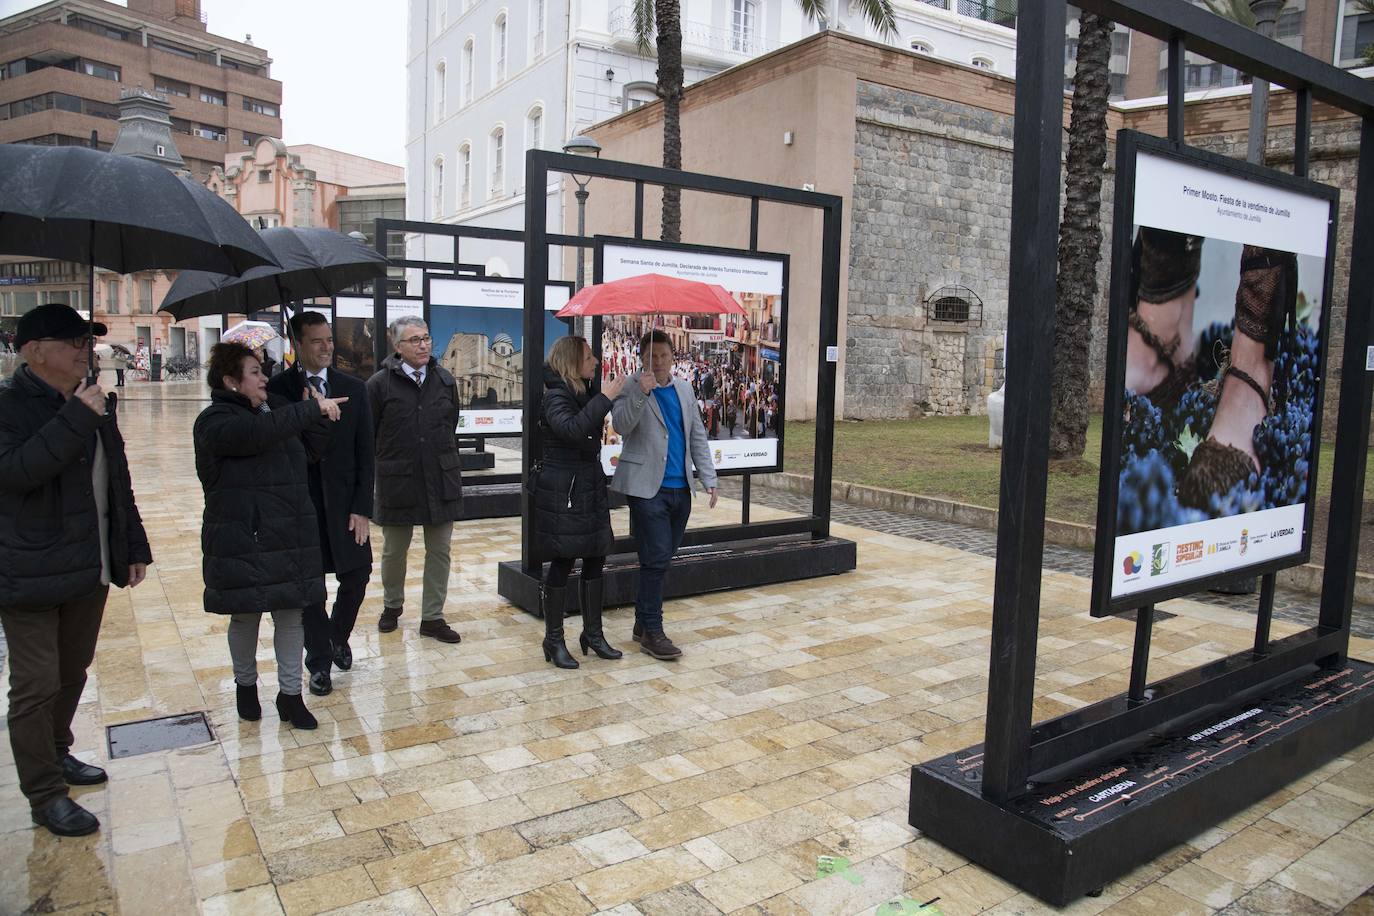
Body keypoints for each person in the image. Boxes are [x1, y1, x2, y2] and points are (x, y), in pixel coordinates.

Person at [0, 304, 152, 837]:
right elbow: (17, 473)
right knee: (35, 685)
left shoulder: (93, 403)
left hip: (88, 565)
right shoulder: (10, 406)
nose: (85, 352)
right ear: (35, 350)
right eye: (74, 343)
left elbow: (117, 480)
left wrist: (133, 545)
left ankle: (58, 750)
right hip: (30, 571)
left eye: (88, 343)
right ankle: (44, 794)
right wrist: (74, 419)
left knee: (72, 673)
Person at [194, 342, 348, 731]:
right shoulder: (215, 421)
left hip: (288, 534)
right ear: (230, 381)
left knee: (291, 615)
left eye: (263, 370)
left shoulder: (276, 410)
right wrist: (306, 410)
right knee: (246, 615)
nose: (264, 378)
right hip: (243, 536)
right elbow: (256, 434)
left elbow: (311, 449)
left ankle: (290, 696)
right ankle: (246, 686)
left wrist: (318, 414)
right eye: (254, 372)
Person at [268, 312, 374, 696]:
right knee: (310, 588)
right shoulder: (278, 390)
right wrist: (304, 412)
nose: (327, 347)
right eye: (316, 341)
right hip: (303, 506)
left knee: (358, 573)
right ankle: (319, 664)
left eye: (329, 339)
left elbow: (366, 453)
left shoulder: (354, 388)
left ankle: (336, 639)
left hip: (347, 504)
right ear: (297, 344)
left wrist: (362, 507)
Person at [609, 329, 718, 660]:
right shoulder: (631, 385)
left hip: (679, 488)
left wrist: (708, 477)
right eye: (650, 357)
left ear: (673, 357)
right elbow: (621, 426)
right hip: (646, 488)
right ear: (641, 358)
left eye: (663, 356)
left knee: (659, 560)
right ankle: (653, 632)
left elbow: (696, 435)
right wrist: (642, 393)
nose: (657, 362)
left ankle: (642, 622)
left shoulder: (684, 389)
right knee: (656, 558)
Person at [367, 316, 464, 643]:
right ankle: (392, 606)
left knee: (440, 550)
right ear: (397, 347)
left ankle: (432, 617)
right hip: (399, 481)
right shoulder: (379, 385)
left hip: (440, 478)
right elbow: (370, 433)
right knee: (394, 550)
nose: (423, 345)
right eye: (414, 340)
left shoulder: (446, 381)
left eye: (426, 337)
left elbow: (450, 424)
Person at [532, 336, 626, 668]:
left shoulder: (580, 392)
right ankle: (553, 639)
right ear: (572, 361)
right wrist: (606, 398)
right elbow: (572, 430)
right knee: (563, 560)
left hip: (587, 487)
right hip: (566, 493)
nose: (596, 361)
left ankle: (593, 634)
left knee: (595, 556)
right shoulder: (556, 396)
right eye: (588, 357)